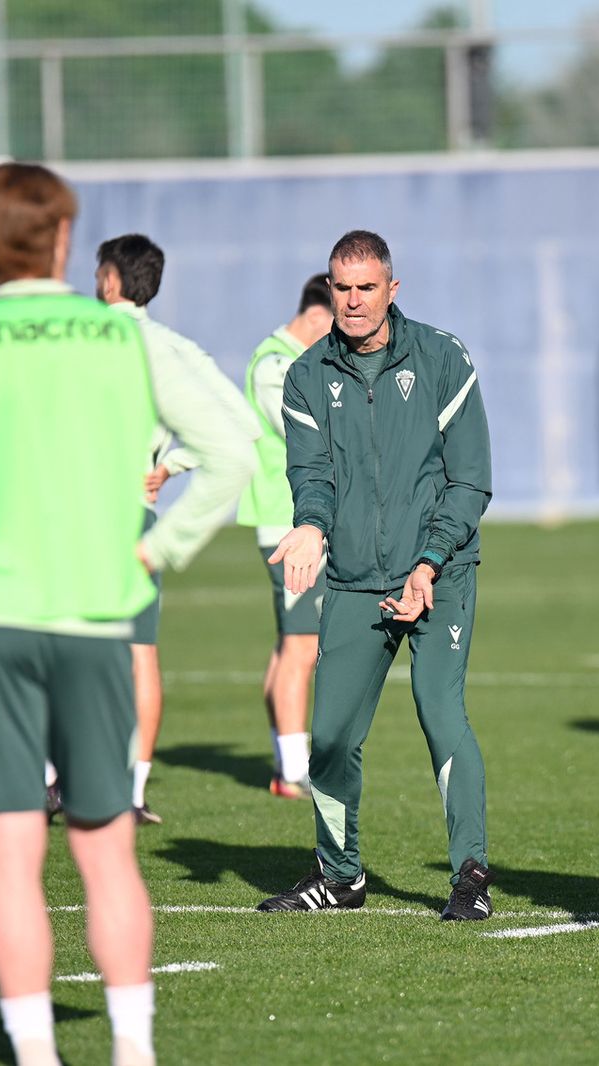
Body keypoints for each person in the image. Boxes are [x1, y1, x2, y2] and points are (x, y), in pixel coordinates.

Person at [0, 162, 254, 1066]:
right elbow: (233, 448)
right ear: (65, 239)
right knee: (107, 854)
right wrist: (161, 551)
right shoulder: (126, 340)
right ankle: (132, 1051)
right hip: (96, 615)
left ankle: (35, 1056)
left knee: (11, 859)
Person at [255, 230, 495, 921]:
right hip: (356, 579)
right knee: (329, 738)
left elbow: (471, 480)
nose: (354, 300)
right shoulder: (306, 376)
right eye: (342, 287)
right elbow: (312, 476)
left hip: (440, 573)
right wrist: (311, 525)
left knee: (440, 712)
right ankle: (340, 877)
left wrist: (429, 561)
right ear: (328, 290)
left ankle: (471, 874)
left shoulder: (443, 357)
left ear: (392, 289)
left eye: (367, 287)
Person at [92, 233, 262, 823]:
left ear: (111, 280)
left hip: (78, 511)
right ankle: (133, 792)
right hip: (138, 515)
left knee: (60, 646)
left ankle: (54, 779)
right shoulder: (174, 348)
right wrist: (170, 465)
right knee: (140, 653)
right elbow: (243, 425)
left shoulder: (80, 338)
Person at [236, 273, 335, 798]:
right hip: (287, 523)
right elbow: (301, 431)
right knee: (302, 644)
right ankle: (295, 770)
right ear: (317, 316)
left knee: (288, 645)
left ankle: (284, 760)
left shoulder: (288, 360)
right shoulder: (275, 364)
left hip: (291, 522)